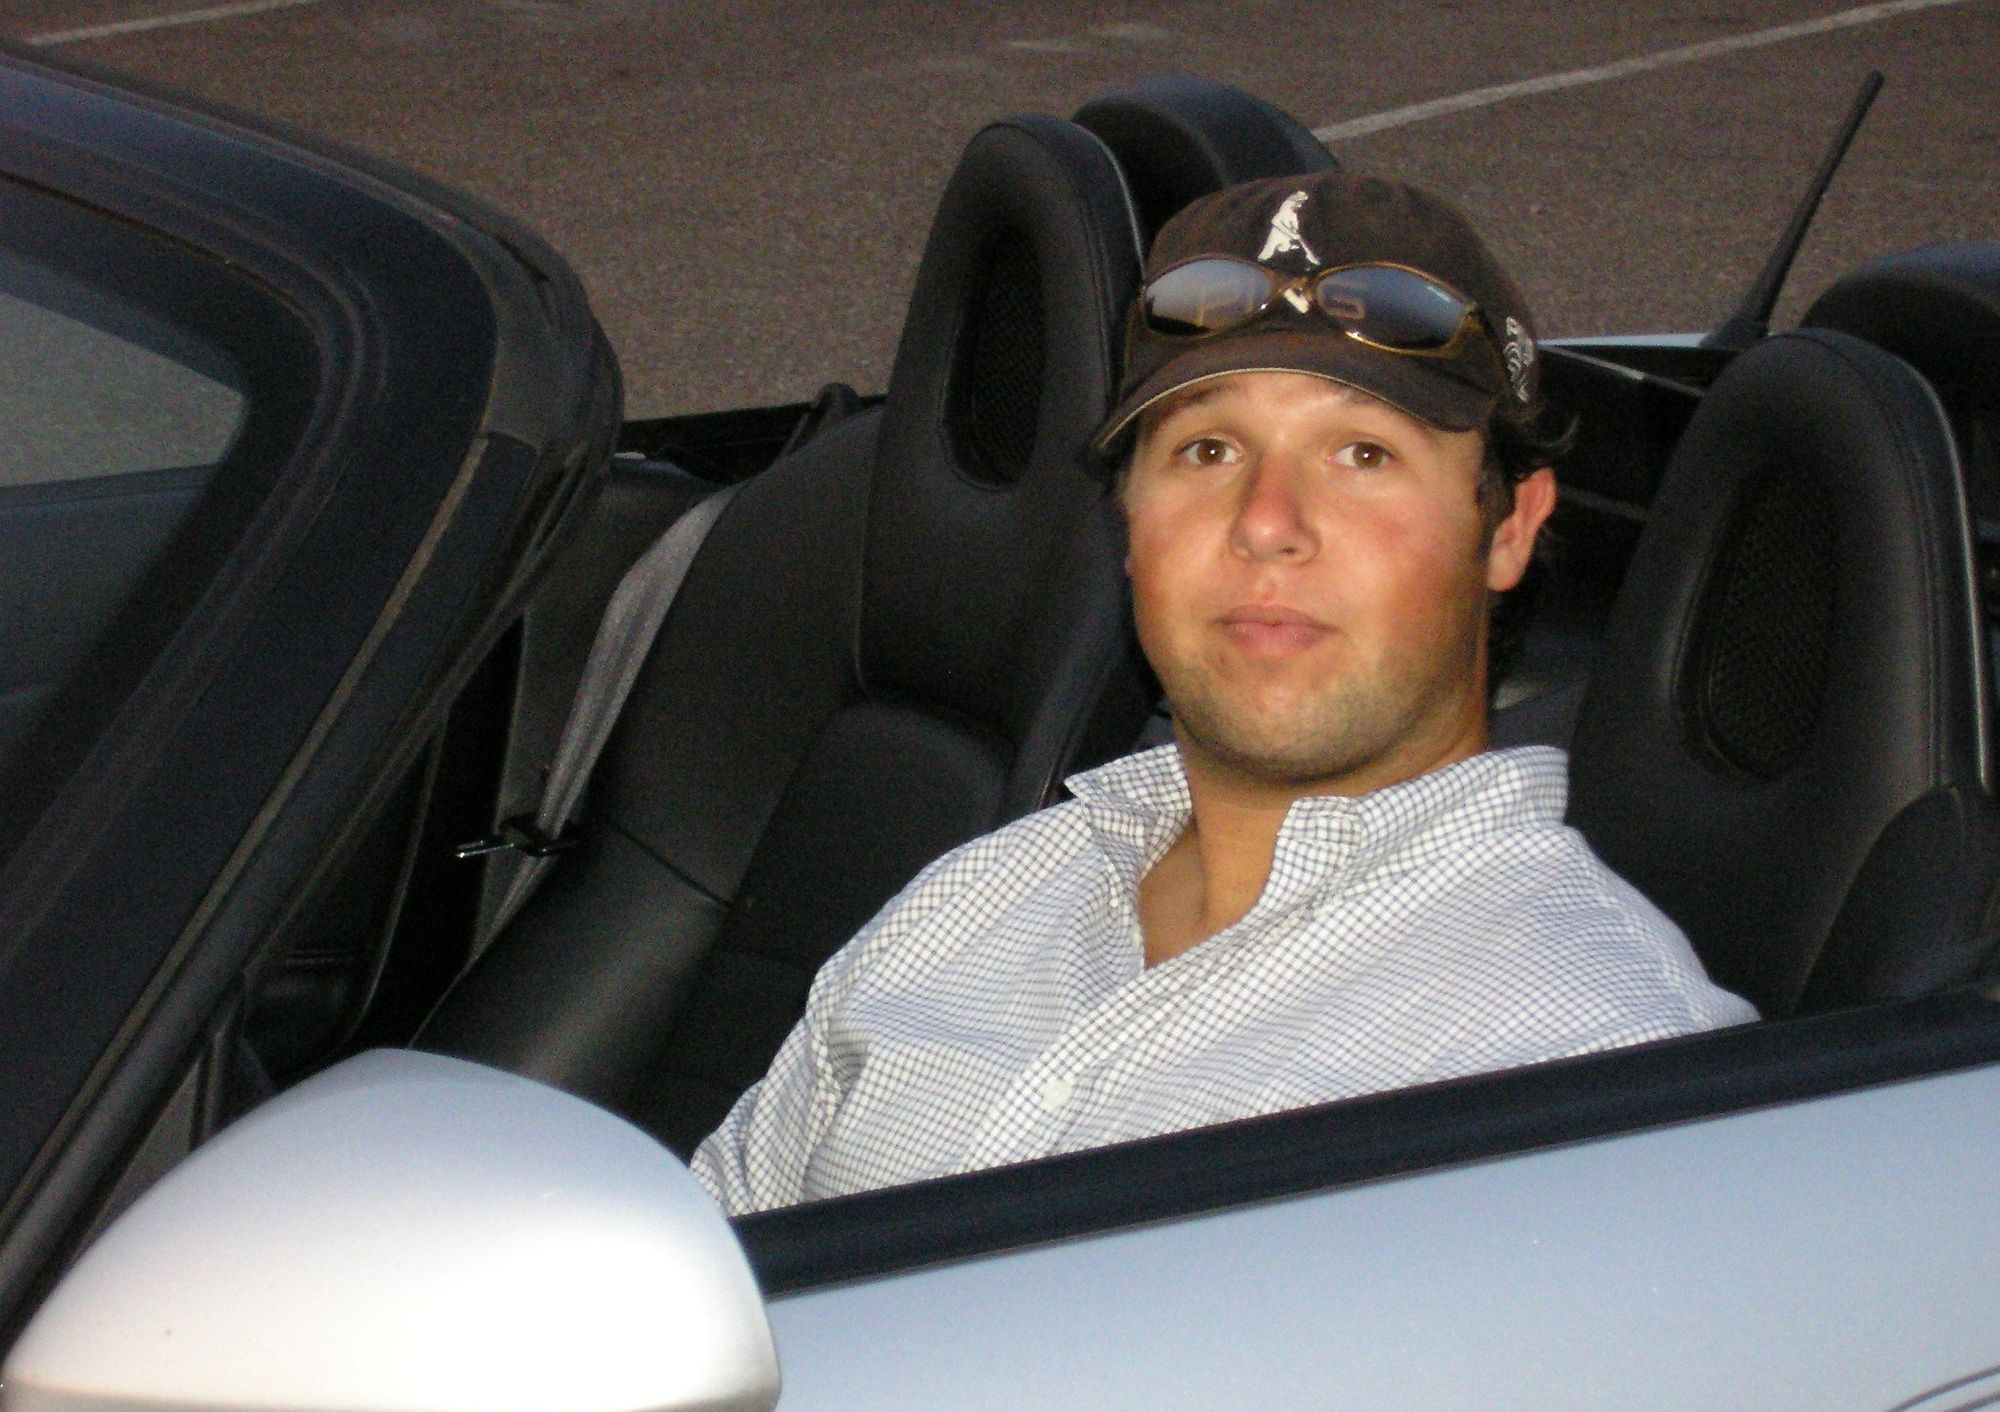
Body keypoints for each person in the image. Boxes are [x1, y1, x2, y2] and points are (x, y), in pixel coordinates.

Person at [690, 166, 1755, 1215]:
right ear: (1127, 524)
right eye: (1207, 449)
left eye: (1362, 453)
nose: (1265, 521)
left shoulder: (1595, 1079)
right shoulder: (971, 901)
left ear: (1509, 526)